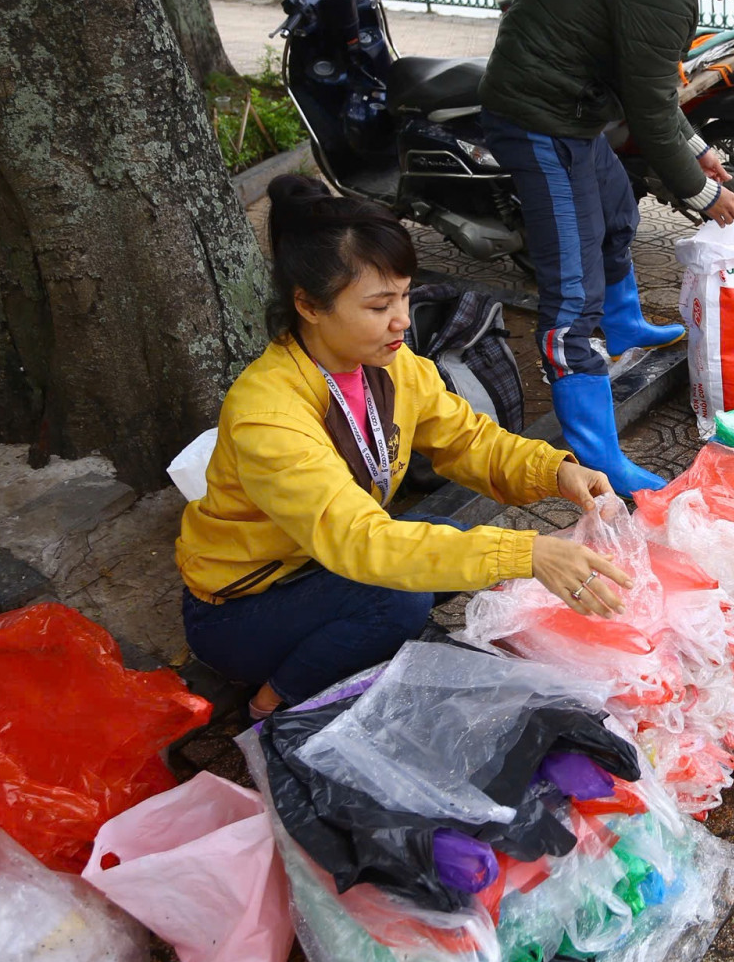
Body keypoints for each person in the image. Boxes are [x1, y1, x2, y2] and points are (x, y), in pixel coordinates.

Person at [176, 175, 635, 718]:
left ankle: (337, 648)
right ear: (309, 305)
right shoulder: (268, 414)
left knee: (444, 539)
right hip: (244, 605)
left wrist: (556, 471)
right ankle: (272, 701)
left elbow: (469, 440)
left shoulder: (393, 365)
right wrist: (527, 553)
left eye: (404, 295)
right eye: (378, 306)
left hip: (320, 561)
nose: (401, 320)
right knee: (400, 599)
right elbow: (359, 542)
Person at [478, 0, 734, 494]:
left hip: (576, 110)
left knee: (615, 213)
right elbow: (652, 113)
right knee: (571, 298)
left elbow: (650, 90)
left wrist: (699, 149)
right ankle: (599, 457)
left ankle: (626, 325)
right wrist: (705, 195)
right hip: (540, 117)